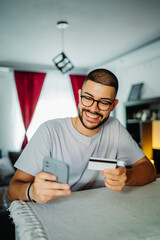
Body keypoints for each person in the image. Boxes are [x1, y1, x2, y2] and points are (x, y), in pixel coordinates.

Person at [7, 69, 157, 203]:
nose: (93, 109)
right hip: (58, 209)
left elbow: (149, 170)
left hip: (100, 210)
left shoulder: (115, 128)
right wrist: (32, 191)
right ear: (79, 95)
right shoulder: (49, 130)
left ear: (113, 105)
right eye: (88, 98)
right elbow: (12, 190)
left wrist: (127, 176)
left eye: (104, 102)